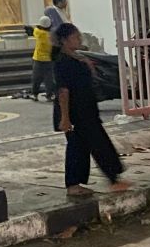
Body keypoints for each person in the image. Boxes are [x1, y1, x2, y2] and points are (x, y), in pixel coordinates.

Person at [53, 22, 131, 198]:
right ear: (64, 40)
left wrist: (87, 66)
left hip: (87, 109)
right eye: (75, 37)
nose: (79, 39)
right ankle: (108, 179)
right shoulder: (62, 62)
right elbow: (63, 91)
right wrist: (65, 117)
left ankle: (84, 183)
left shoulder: (77, 58)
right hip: (75, 112)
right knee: (91, 144)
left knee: (85, 146)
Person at [29, 15, 54, 102]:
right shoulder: (50, 36)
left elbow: (35, 28)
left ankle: (34, 94)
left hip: (38, 58)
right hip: (48, 59)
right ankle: (49, 95)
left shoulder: (37, 32)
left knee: (36, 78)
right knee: (49, 79)